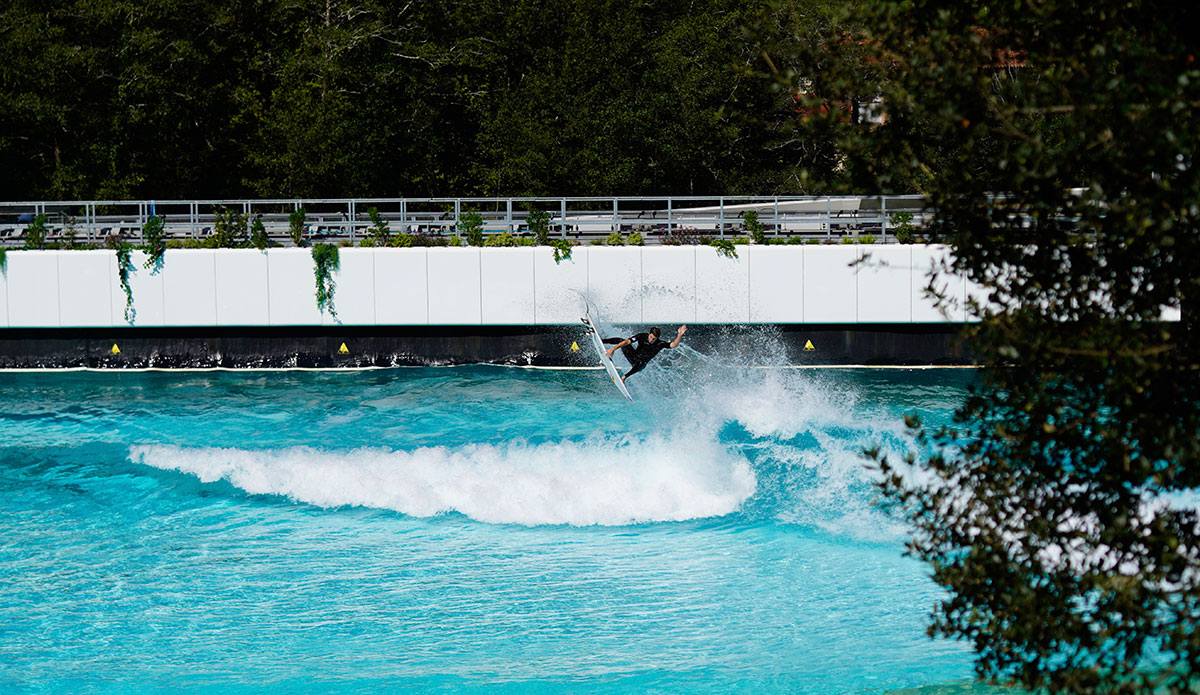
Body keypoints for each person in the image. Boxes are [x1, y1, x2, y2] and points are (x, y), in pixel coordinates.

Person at [601, 325, 687, 382]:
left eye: (654, 339)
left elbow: (673, 345)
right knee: (622, 340)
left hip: (639, 364)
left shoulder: (660, 344)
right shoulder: (641, 336)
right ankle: (602, 341)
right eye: (651, 337)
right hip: (633, 356)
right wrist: (613, 349)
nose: (652, 340)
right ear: (649, 334)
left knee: (642, 362)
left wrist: (679, 335)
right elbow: (627, 341)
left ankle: (624, 377)